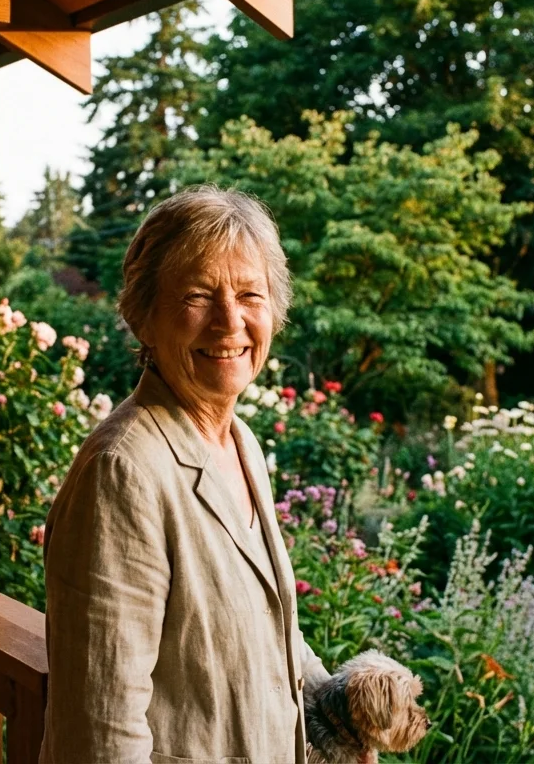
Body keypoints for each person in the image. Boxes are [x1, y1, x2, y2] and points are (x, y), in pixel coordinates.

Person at [40, 186, 331, 762]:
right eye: (199, 295)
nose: (230, 322)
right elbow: (102, 729)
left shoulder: (240, 443)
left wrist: (338, 719)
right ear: (142, 316)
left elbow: (271, 635)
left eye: (251, 294)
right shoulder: (123, 471)